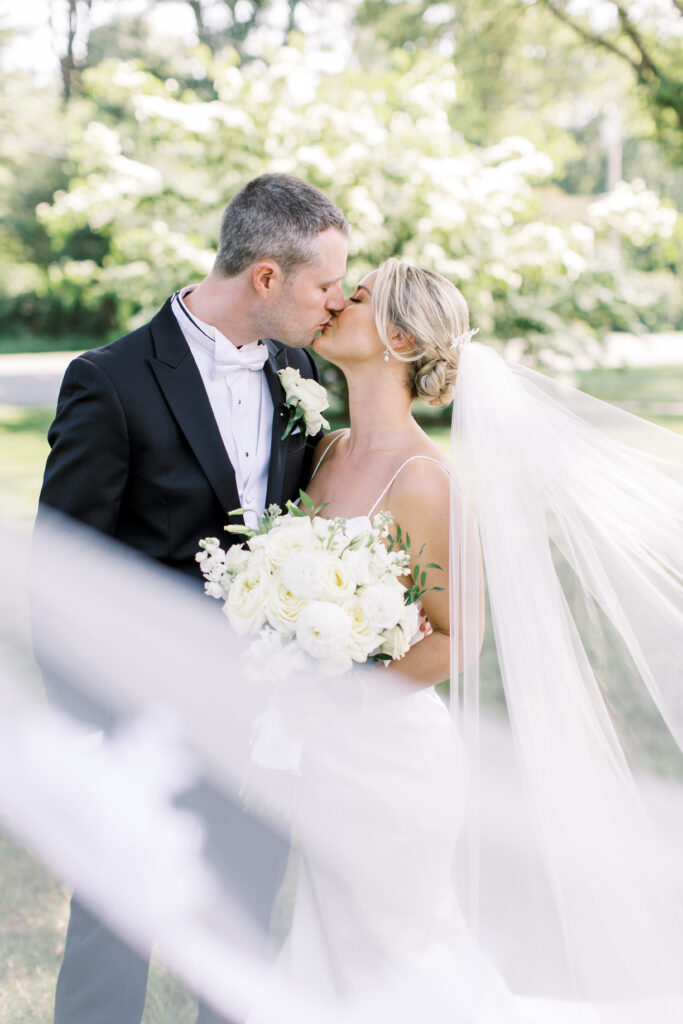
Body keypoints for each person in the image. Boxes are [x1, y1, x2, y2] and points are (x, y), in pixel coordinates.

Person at [243, 257, 683, 1023]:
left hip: (390, 761)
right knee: (334, 949)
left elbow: (457, 638)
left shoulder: (424, 478)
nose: (339, 300)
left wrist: (335, 699)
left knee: (397, 949)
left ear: (400, 340)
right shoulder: (326, 450)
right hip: (326, 758)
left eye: (360, 295)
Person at [37, 173, 349, 1024]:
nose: (338, 300)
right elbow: (61, 568)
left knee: (242, 932)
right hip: (139, 717)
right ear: (265, 278)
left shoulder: (299, 372)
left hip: (260, 724)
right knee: (113, 935)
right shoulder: (111, 380)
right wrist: (91, 725)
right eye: (326, 284)